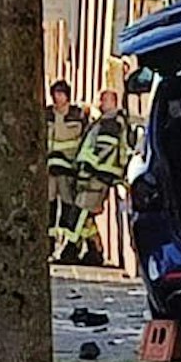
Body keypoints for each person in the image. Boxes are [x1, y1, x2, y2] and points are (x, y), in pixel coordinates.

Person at [64, 89, 131, 267]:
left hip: (98, 175)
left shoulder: (111, 122)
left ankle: (71, 248)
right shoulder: (107, 121)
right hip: (97, 175)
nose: (100, 104)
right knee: (87, 217)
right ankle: (95, 249)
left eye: (104, 100)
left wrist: (86, 169)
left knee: (80, 212)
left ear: (113, 102)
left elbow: (103, 151)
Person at [46, 80, 89, 260]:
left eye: (61, 93)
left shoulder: (77, 115)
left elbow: (85, 138)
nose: (58, 97)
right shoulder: (47, 114)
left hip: (69, 168)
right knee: (49, 205)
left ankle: (67, 245)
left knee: (67, 205)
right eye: (55, 93)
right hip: (49, 167)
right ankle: (48, 243)